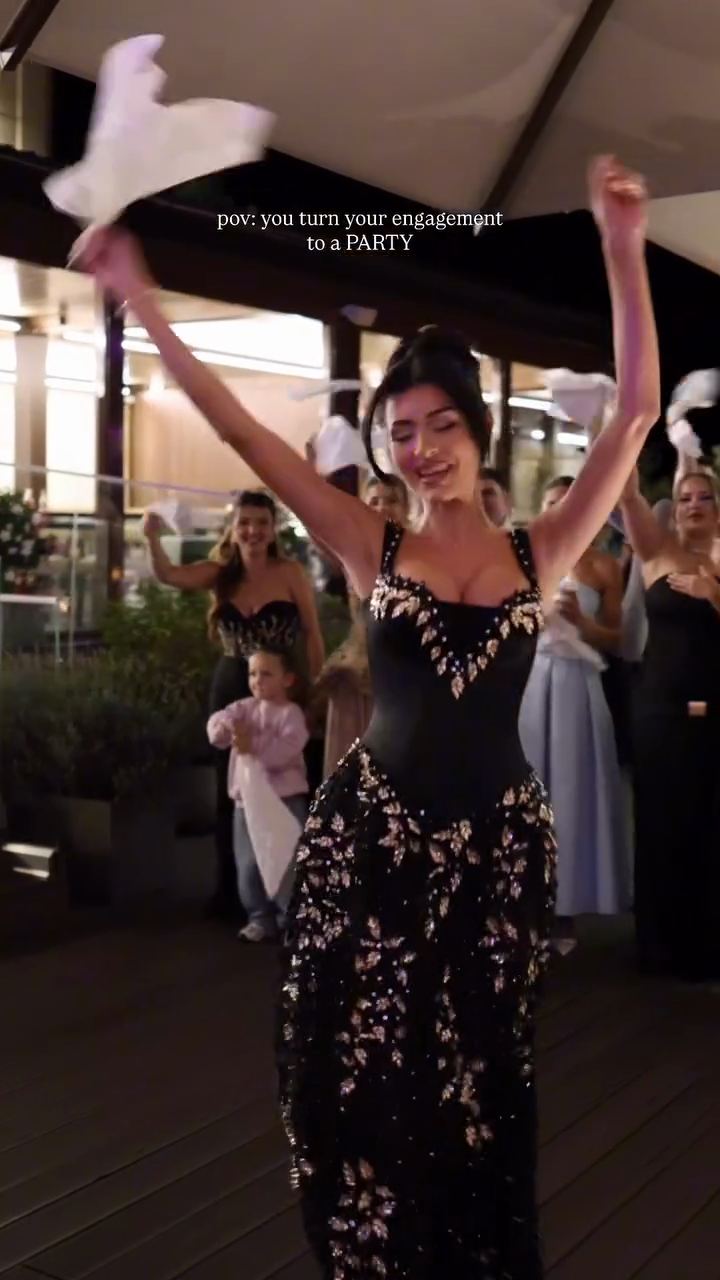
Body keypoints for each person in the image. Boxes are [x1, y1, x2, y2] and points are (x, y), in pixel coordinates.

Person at [78, 153, 659, 1278]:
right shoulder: (369, 542)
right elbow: (244, 437)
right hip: (374, 846)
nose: (419, 448)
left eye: (439, 425)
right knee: (361, 1075)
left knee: (480, 1081)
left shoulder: (543, 548)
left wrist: (621, 244)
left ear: (477, 429)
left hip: (494, 855)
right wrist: (140, 299)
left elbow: (636, 412)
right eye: (401, 431)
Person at [143, 490, 323, 922]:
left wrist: (316, 692)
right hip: (232, 687)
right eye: (244, 522)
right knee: (233, 793)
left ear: (273, 529)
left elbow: (313, 633)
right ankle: (233, 892)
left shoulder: (290, 572)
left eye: (261, 523)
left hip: (280, 688)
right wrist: (151, 537)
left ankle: (291, 895)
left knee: (287, 783)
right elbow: (169, 575)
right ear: (233, 527)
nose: (253, 531)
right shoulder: (220, 573)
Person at [520, 475, 631, 949]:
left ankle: (565, 907)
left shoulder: (604, 567)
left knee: (570, 792)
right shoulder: (523, 562)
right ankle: (523, 902)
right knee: (527, 793)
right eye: (551, 502)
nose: (559, 509)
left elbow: (619, 640)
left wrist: (582, 623)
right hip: (530, 683)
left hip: (578, 685)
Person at [620, 468, 720, 982]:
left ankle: (706, 945)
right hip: (657, 708)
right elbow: (628, 495)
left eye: (704, 497)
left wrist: (713, 594)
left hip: (712, 710)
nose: (694, 504)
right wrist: (619, 432)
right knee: (659, 820)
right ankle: (658, 946)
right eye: (685, 498)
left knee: (707, 824)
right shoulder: (656, 551)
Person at [207, 647, 309, 942]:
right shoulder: (243, 709)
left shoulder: (290, 714)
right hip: (247, 803)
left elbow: (288, 750)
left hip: (283, 800)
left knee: (286, 860)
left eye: (266, 674)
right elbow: (217, 727)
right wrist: (227, 728)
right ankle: (259, 917)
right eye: (252, 673)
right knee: (249, 862)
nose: (257, 680)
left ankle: (291, 918)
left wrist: (253, 747)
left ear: (287, 679)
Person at [314, 473, 410, 776]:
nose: (382, 508)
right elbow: (317, 526)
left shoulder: (421, 558)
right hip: (356, 677)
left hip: (405, 682)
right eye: (374, 501)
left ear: (407, 508)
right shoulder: (352, 552)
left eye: (391, 500)